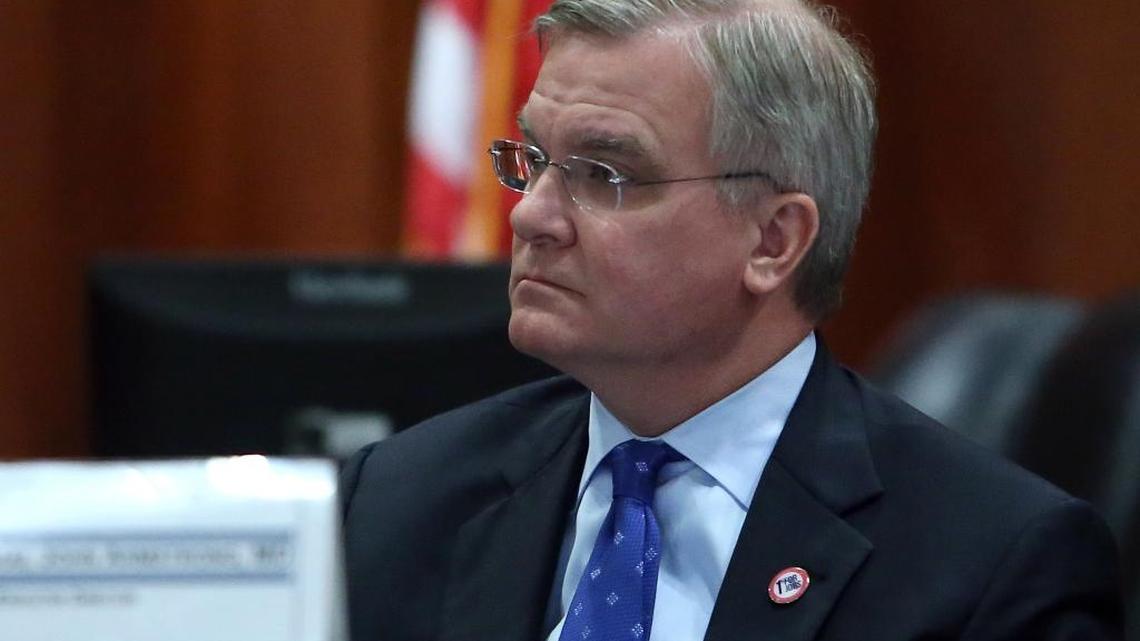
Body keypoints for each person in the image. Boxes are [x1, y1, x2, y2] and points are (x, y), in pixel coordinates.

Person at [340, 1, 1123, 639]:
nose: (531, 216)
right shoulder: (401, 499)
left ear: (773, 240)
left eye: (605, 174)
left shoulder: (992, 568)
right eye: (532, 159)